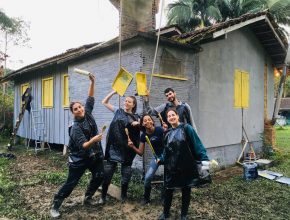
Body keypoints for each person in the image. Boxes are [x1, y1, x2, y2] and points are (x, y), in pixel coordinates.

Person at [50, 74, 104, 218]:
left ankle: (87, 198)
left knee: (99, 175)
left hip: (94, 154)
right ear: (73, 113)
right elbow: (84, 145)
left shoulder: (88, 112)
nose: (80, 110)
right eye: (76, 109)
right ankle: (55, 204)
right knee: (71, 183)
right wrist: (94, 139)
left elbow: (90, 97)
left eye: (80, 107)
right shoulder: (75, 127)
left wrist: (92, 82)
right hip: (79, 158)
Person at [157, 109, 209, 220]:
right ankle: (165, 213)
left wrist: (204, 160)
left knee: (186, 189)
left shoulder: (187, 128)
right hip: (171, 167)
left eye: (173, 115)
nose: (171, 117)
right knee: (168, 190)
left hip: (186, 166)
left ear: (177, 116)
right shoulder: (167, 133)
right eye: (169, 116)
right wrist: (161, 158)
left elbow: (197, 144)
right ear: (167, 119)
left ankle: (183, 214)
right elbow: (166, 151)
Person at [100, 90, 140, 203]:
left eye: (129, 102)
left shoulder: (136, 117)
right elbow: (104, 102)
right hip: (113, 147)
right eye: (125, 100)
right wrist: (113, 92)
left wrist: (138, 123)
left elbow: (142, 124)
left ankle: (123, 195)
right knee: (108, 174)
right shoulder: (118, 111)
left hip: (127, 149)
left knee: (125, 175)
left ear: (133, 105)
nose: (126, 103)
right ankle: (103, 196)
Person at [127, 113, 165, 205]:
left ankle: (164, 198)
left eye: (149, 119)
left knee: (167, 178)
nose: (147, 121)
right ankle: (146, 198)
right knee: (147, 178)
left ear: (152, 121)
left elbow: (169, 144)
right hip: (156, 157)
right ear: (143, 124)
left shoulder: (160, 130)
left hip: (166, 156)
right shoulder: (144, 136)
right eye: (145, 120)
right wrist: (132, 146)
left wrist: (164, 156)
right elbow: (140, 152)